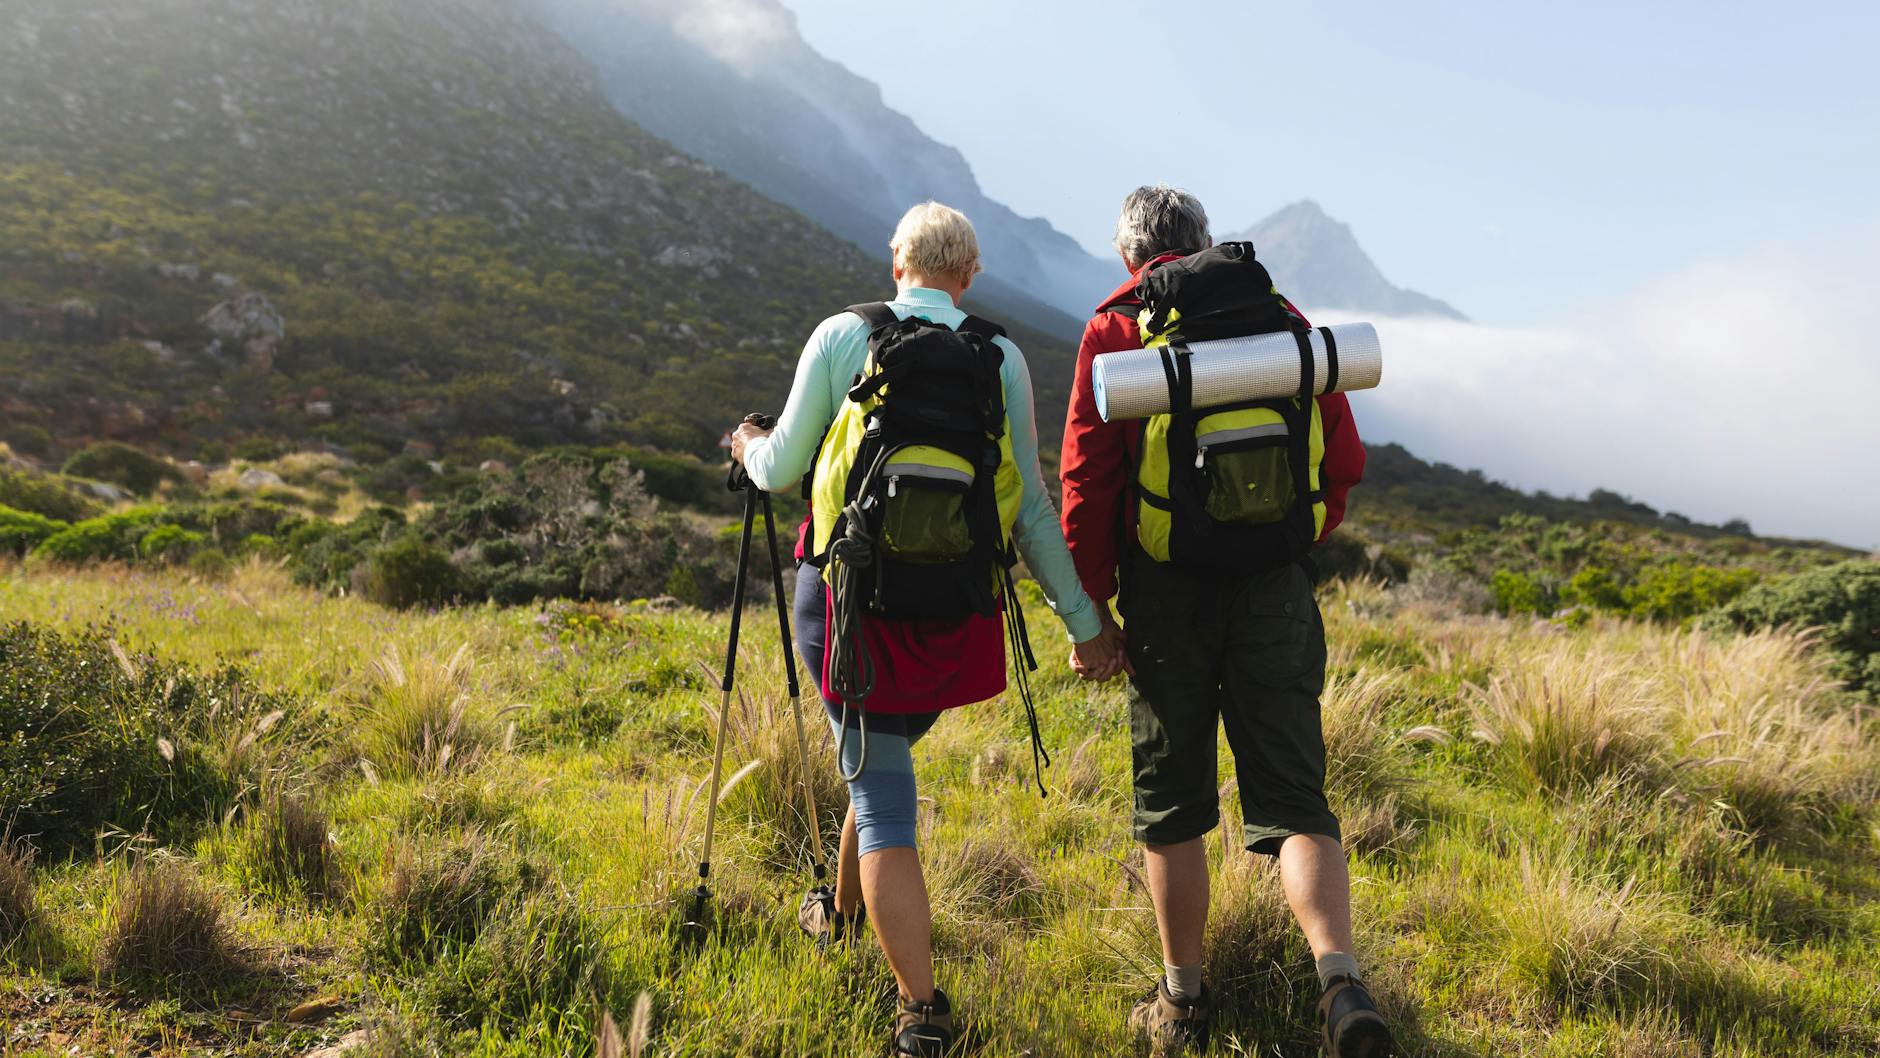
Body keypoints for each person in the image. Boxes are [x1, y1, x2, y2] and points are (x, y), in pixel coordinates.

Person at [731, 201, 1126, 1058]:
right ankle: (834, 914)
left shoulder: (842, 337)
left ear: (896, 264)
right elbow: (1028, 516)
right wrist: (1085, 624)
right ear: (970, 275)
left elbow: (782, 469)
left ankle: (920, 1010)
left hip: (846, 610)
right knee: (880, 770)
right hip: (953, 614)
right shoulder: (1001, 357)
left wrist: (746, 443)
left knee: (880, 796)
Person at [1058, 185, 1393, 1057]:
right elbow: (1343, 459)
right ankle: (1340, 982)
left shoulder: (1119, 329)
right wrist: (1286, 538)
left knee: (1171, 804)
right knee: (1295, 794)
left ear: (1131, 257)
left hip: (1165, 592)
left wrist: (1092, 612)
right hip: (1274, 585)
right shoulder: (1278, 319)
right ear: (1205, 242)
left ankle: (1183, 1003)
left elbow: (1087, 489)